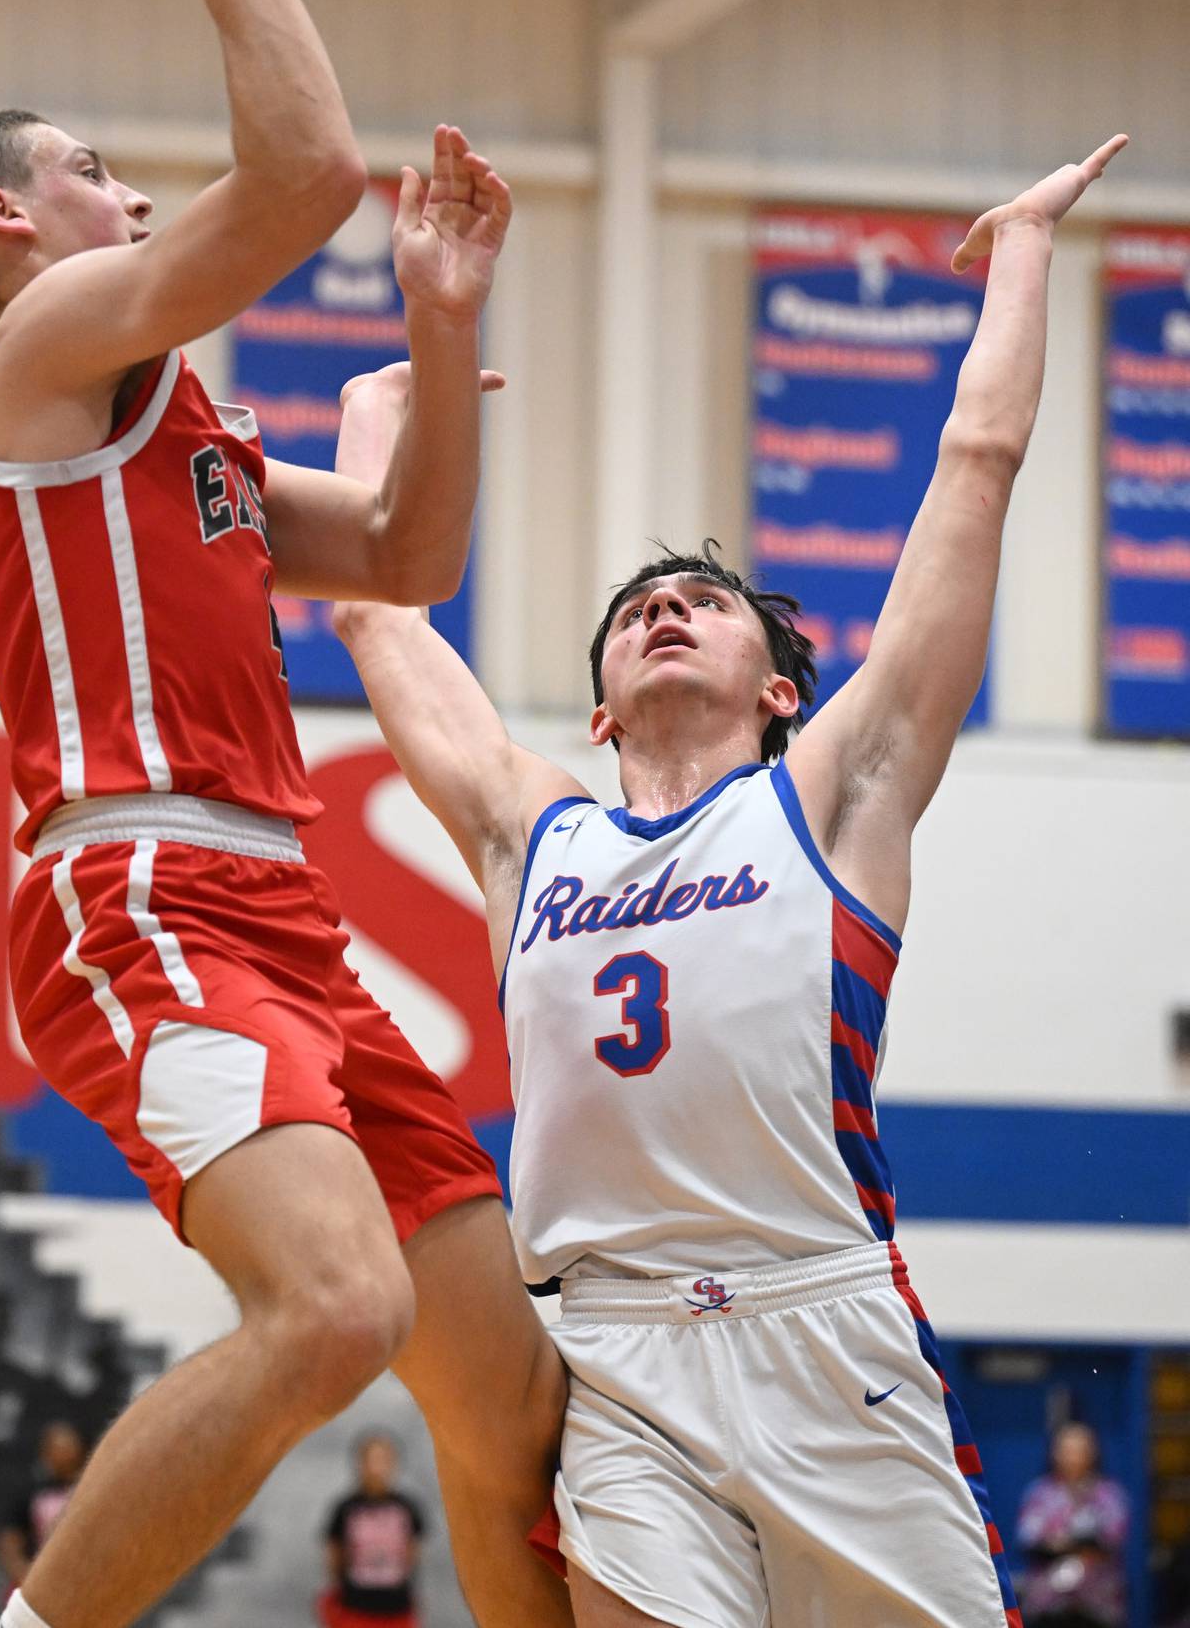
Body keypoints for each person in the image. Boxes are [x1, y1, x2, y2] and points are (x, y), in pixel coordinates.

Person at [0, 0, 570, 1628]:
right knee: (336, 1309)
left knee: (510, 1407)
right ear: (10, 227)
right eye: (86, 169)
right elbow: (303, 176)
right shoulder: (41, 352)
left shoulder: (177, 419)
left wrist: (442, 325)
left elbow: (411, 558)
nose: (122, 186)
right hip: (140, 890)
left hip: (283, 913)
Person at [333, 136, 1129, 1628]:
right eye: (640, 610)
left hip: (821, 1320)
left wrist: (1021, 250)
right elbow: (382, 626)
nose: (667, 610)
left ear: (779, 692)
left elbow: (975, 471)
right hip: (619, 1347)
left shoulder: (838, 789)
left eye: (706, 601)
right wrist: (380, 406)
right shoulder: (536, 834)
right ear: (599, 705)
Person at [1017, 1422, 1131, 1627]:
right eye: (1067, 1449)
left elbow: (1110, 1541)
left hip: (1098, 1606)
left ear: (1093, 1452)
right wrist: (1079, 1545)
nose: (1073, 1457)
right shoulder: (1039, 1493)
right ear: (1054, 1453)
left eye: (1080, 1449)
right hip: (1047, 1604)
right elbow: (1030, 1541)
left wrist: (1063, 1543)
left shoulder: (1109, 1495)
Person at [321, 1433, 426, 1628]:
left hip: (396, 1607)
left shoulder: (407, 1507)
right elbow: (334, 1554)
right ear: (359, 1463)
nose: (377, 1468)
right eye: (371, 1459)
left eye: (384, 1460)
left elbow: (413, 1553)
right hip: (354, 1606)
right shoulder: (345, 1507)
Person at [0, 1423, 87, 1589]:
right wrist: (21, 1570)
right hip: (40, 1582)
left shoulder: (91, 1490)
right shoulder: (32, 1495)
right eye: (56, 1448)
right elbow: (10, 1541)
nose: (63, 1454)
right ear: (45, 1453)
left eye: (68, 1447)